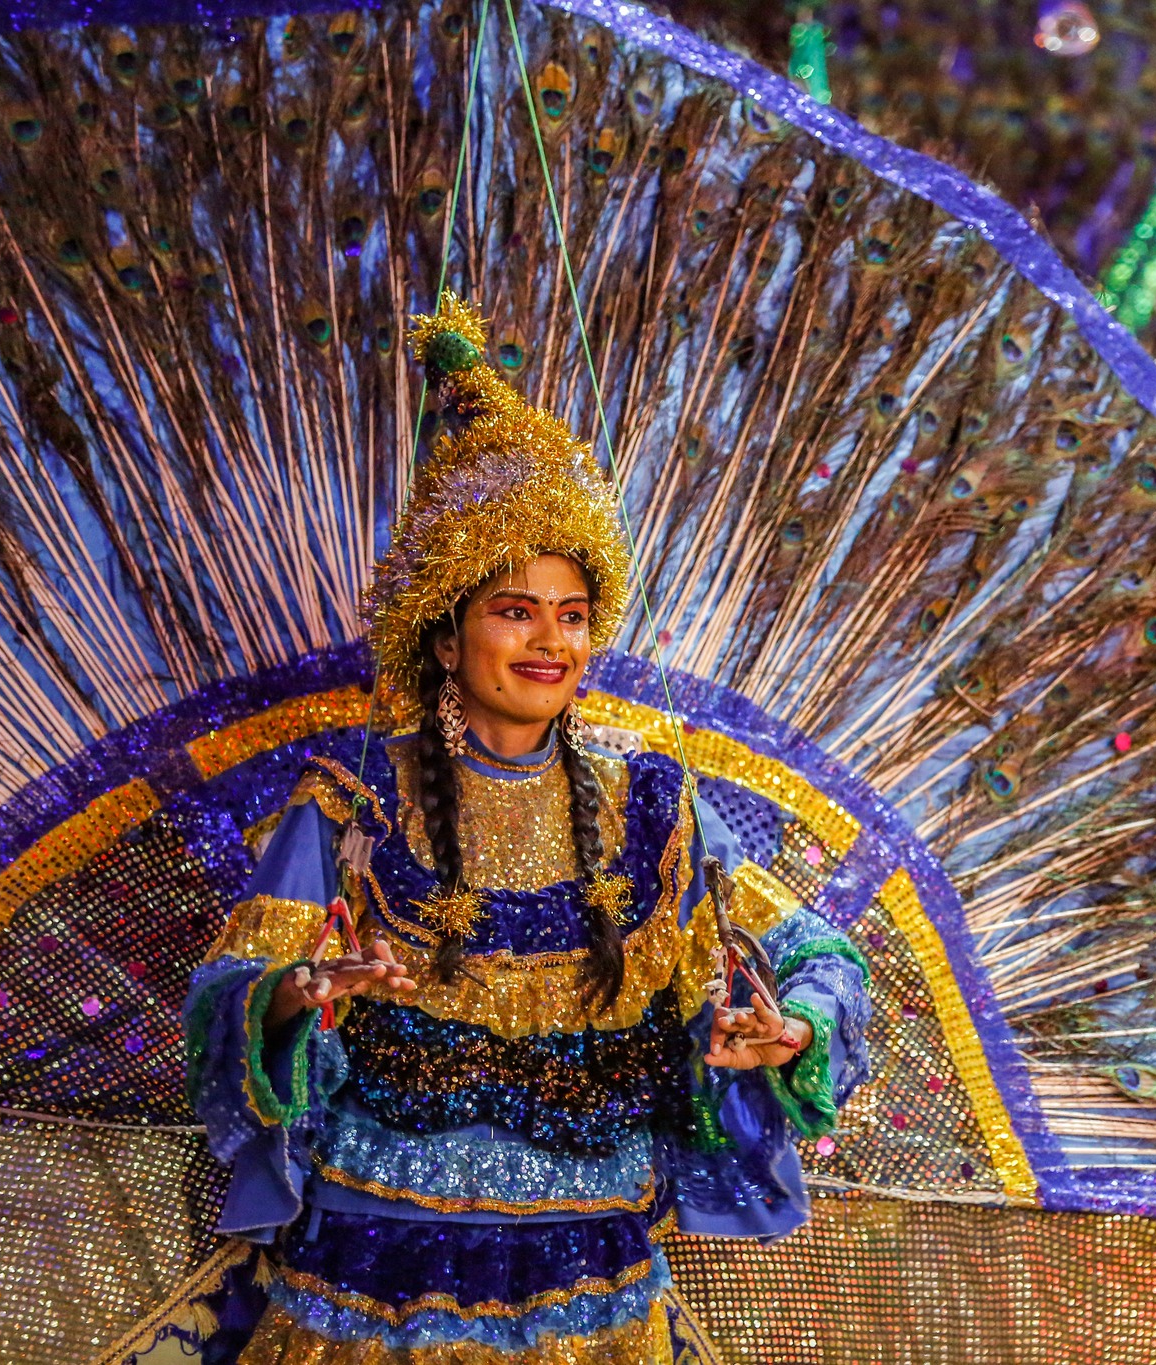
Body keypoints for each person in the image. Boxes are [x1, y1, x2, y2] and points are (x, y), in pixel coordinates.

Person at [183, 293, 872, 1362]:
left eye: (572, 615)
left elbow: (813, 953)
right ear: (445, 640)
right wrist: (297, 994)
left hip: (590, 1277)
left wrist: (791, 1032)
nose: (548, 641)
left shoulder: (656, 808)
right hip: (376, 1264)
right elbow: (231, 995)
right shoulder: (355, 805)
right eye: (513, 610)